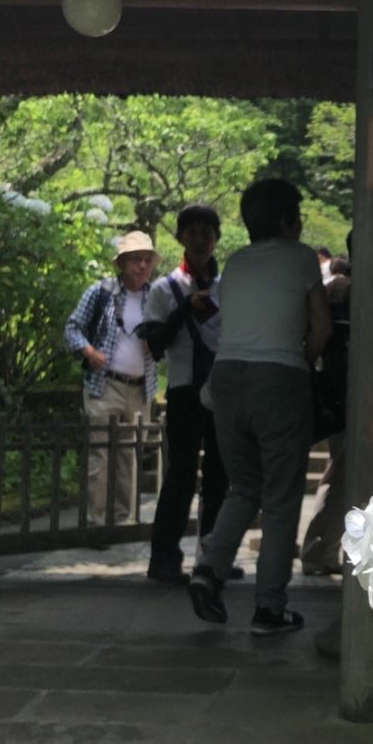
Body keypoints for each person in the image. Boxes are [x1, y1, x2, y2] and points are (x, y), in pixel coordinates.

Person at [188, 178, 331, 635]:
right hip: (278, 379)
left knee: (243, 487)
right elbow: (322, 327)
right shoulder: (303, 257)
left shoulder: (233, 262)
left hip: (227, 379)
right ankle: (269, 607)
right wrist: (302, 363)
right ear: (289, 220)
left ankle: (209, 570)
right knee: (283, 500)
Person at [143, 203, 228, 584]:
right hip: (181, 390)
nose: (200, 240)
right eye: (192, 232)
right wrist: (184, 310)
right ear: (180, 238)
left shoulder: (229, 287)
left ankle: (212, 560)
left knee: (219, 476)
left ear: (216, 239)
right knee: (179, 475)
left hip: (222, 389)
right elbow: (154, 344)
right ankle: (163, 559)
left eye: (206, 233)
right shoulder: (165, 288)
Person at [64, 230, 158, 526]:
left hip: (140, 388)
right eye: (135, 259)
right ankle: (96, 520)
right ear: (121, 263)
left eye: (146, 260)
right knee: (100, 454)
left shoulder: (157, 297)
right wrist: (89, 351)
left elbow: (170, 336)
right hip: (105, 385)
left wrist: (158, 342)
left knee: (129, 456)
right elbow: (72, 328)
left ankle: (122, 521)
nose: (141, 266)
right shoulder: (101, 292)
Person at [301, 240, 352, 576]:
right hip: (350, 394)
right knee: (343, 471)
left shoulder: (332, 288)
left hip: (336, 393)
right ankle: (319, 550)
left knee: (341, 471)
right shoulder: (346, 289)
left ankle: (321, 549)